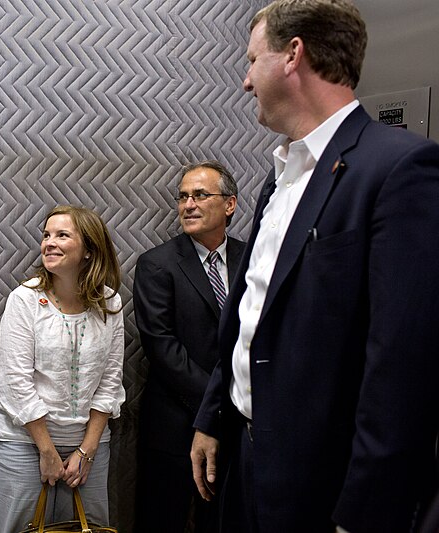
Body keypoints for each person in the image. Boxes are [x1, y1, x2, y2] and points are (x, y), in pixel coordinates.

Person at [190, 1, 439, 532]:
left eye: (253, 60)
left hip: (321, 484)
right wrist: (213, 418)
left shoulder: (398, 169)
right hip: (245, 457)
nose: (244, 81)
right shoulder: (277, 177)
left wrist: (365, 512)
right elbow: (250, 316)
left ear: (292, 55)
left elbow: (403, 365)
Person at [0, 205, 125, 533]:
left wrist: (88, 449)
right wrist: (47, 451)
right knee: (22, 529)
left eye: (62, 235)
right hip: (23, 442)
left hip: (89, 445)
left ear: (90, 250)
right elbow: (15, 381)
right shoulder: (25, 300)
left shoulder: (110, 303)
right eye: (46, 235)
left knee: (86, 529)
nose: (49, 242)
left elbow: (110, 380)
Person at [134, 160, 245, 533]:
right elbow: (164, 350)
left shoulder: (253, 260)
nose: (188, 205)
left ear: (229, 204)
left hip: (239, 427)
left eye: (200, 195)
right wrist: (219, 404)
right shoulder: (156, 265)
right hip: (175, 426)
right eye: (182, 197)